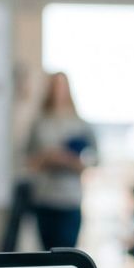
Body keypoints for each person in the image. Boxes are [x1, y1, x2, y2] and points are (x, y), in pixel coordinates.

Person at [26, 72, 96, 250]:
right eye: (55, 86)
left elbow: (94, 159)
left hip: (70, 199)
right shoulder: (40, 123)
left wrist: (71, 161)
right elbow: (28, 160)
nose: (58, 91)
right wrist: (47, 158)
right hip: (44, 198)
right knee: (46, 253)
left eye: (62, 86)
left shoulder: (80, 124)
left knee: (67, 252)